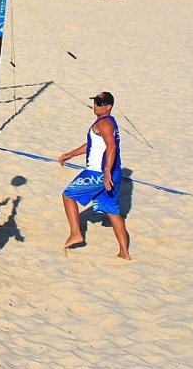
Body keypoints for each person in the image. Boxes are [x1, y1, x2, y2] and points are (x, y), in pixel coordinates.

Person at [58, 91, 130, 260]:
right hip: (115, 172)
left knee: (68, 195)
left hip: (98, 172)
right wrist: (70, 154)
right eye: (95, 102)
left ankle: (76, 233)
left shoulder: (104, 123)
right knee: (113, 212)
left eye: (99, 103)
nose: (95, 106)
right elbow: (92, 145)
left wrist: (105, 172)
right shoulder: (109, 123)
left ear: (109, 107)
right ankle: (124, 253)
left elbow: (111, 147)